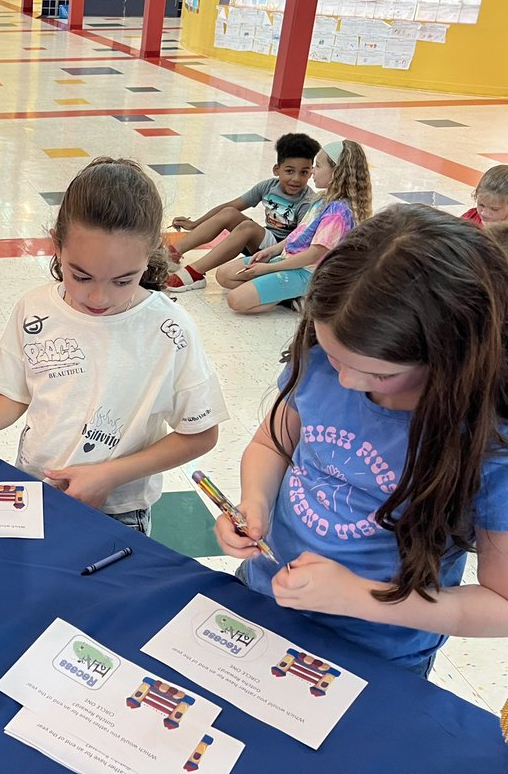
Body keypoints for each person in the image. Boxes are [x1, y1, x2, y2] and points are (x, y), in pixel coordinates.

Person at [213, 205, 508, 675]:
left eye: (379, 373)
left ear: (452, 356)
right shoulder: (322, 362)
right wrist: (256, 505)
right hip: (264, 602)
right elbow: (272, 445)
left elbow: (500, 603)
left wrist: (362, 599)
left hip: (378, 650)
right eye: (333, 357)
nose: (346, 381)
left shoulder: (490, 444)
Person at [0, 158, 227, 534]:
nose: (98, 296)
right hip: (31, 490)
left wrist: (109, 475)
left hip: (119, 510)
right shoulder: (35, 308)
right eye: (81, 275)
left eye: (123, 281)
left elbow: (201, 433)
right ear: (57, 244)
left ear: (152, 253)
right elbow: (17, 393)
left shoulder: (170, 330)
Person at [215, 139, 372, 314]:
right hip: (288, 259)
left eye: (318, 166)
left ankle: (293, 297)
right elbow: (298, 233)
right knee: (224, 274)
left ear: (336, 172)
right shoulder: (322, 198)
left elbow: (314, 255)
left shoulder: (338, 212)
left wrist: (269, 269)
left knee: (235, 300)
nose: (312, 171)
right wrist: (271, 251)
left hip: (307, 273)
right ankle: (289, 295)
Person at [167, 132, 321, 291]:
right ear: (277, 169)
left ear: (310, 172)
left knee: (247, 227)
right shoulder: (268, 186)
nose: (296, 179)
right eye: (290, 171)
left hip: (282, 251)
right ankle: (173, 254)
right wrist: (195, 223)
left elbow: (299, 241)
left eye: (303, 172)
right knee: (229, 212)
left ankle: (195, 272)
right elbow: (233, 205)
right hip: (264, 241)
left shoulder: (308, 201)